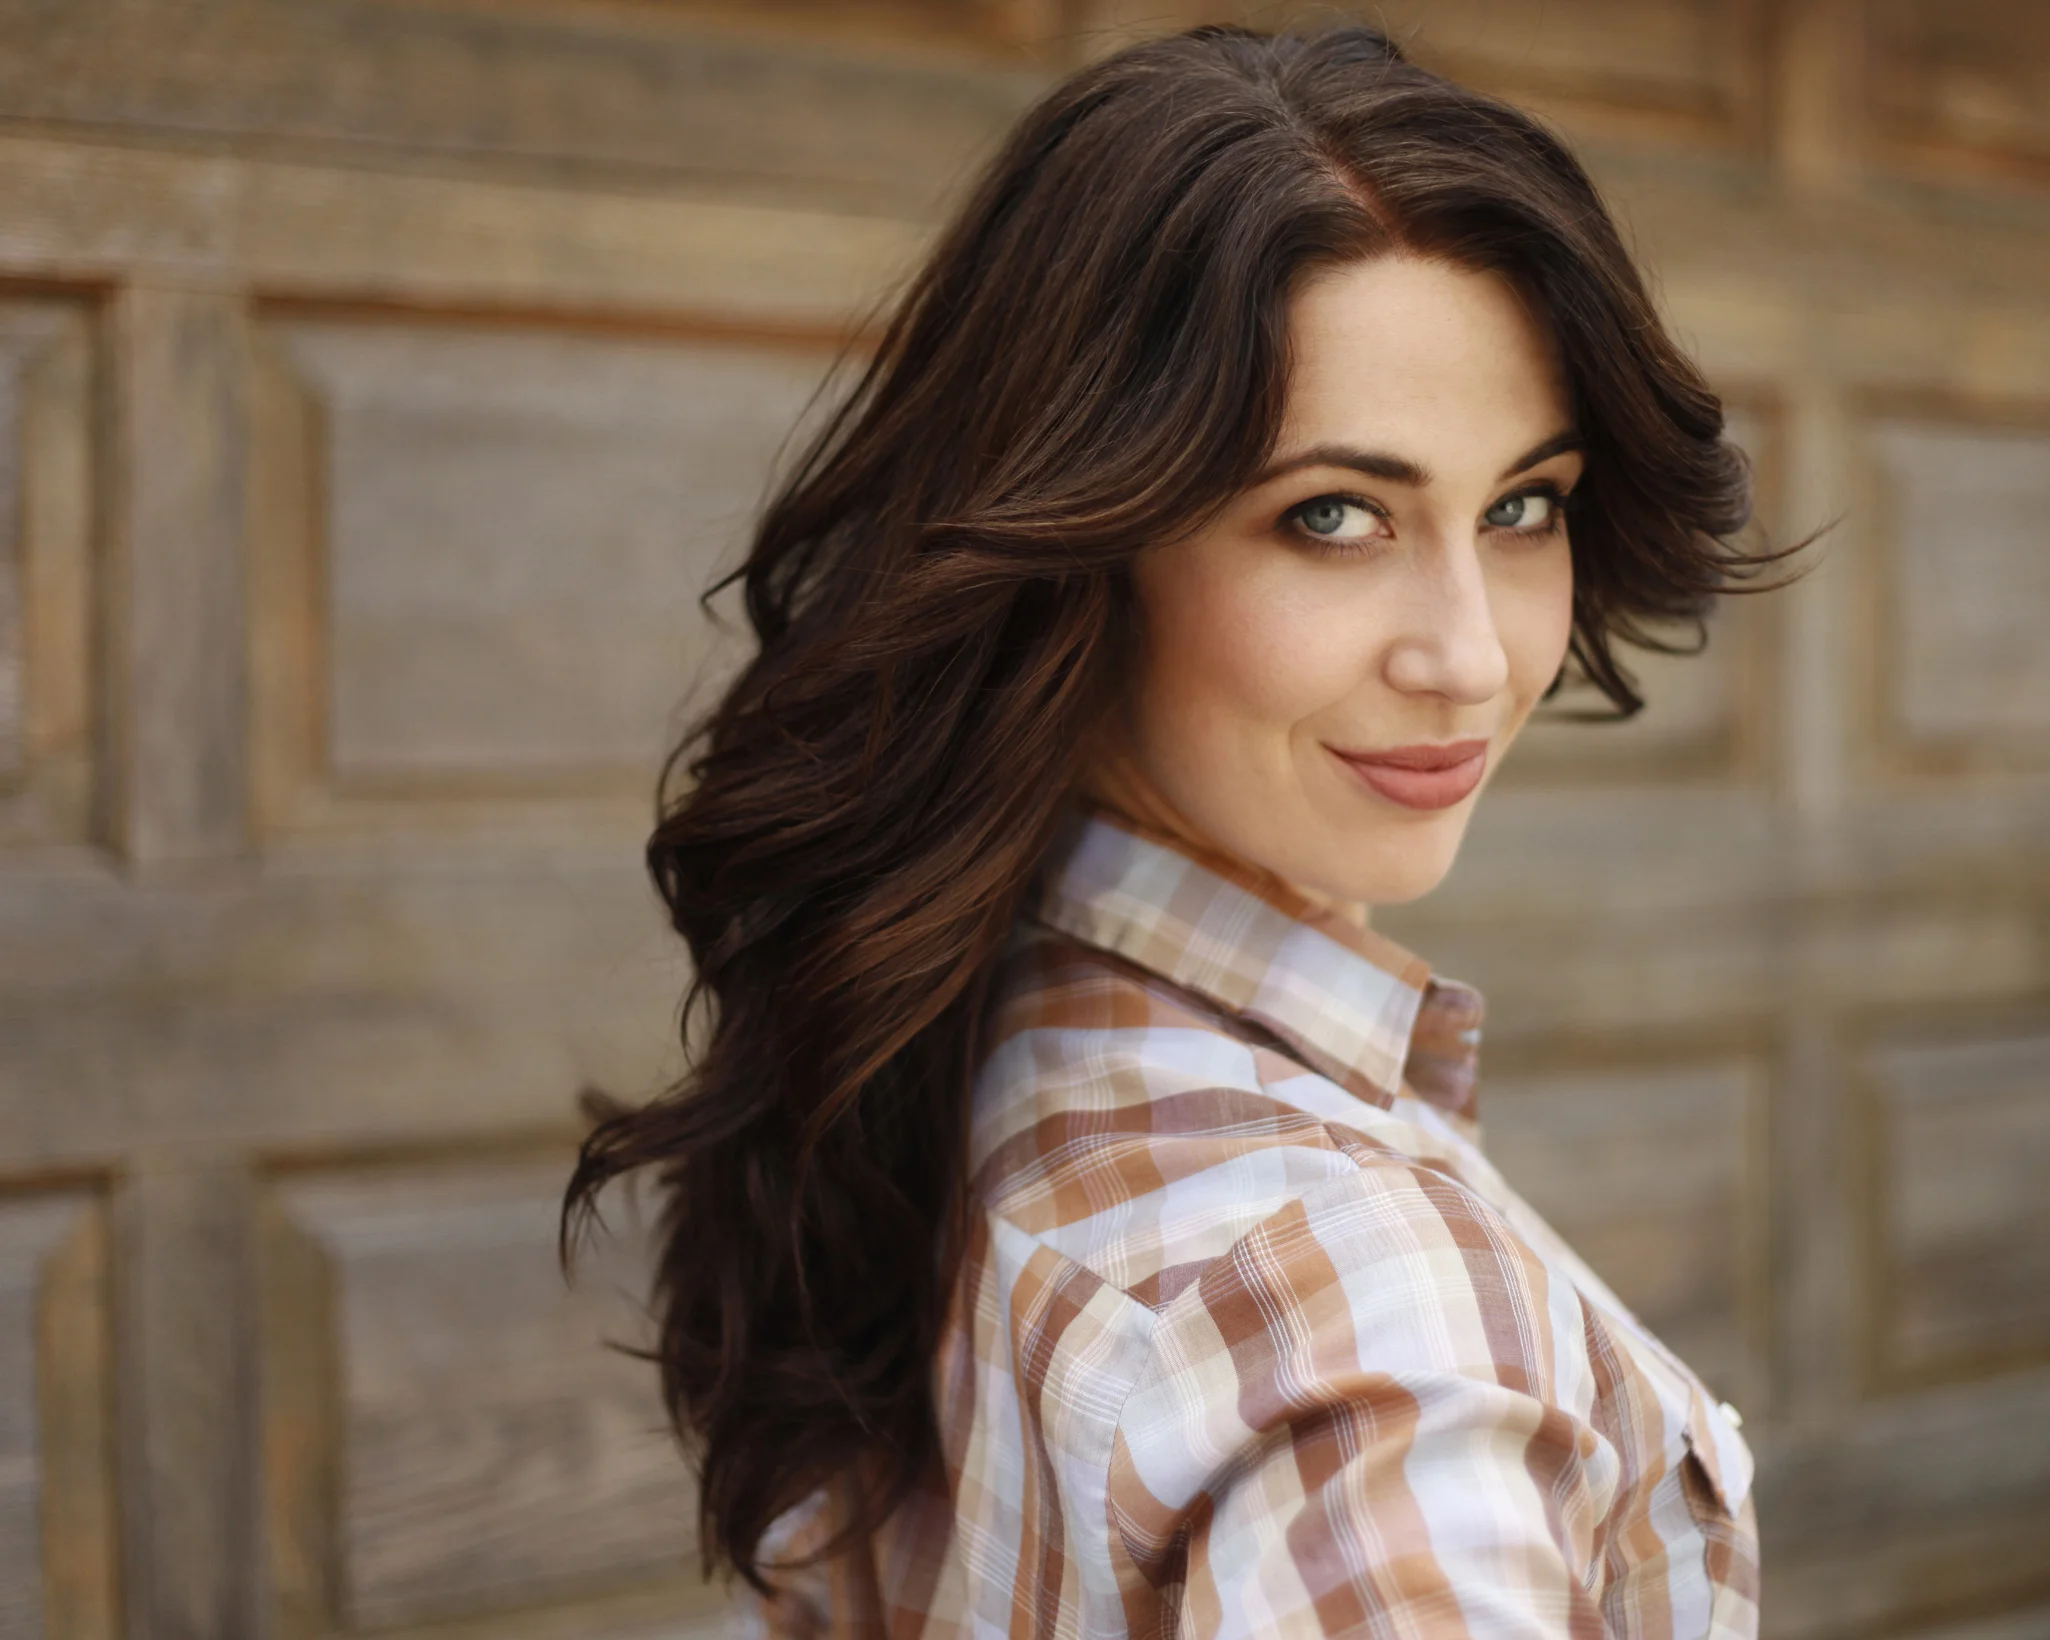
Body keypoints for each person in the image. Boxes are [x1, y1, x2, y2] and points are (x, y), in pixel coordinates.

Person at [566, 22, 1787, 1638]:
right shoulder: (1376, 1344)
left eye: (1520, 506)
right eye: (1331, 516)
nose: (1471, 657)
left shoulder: (955, 1029)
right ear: (1083, 548)